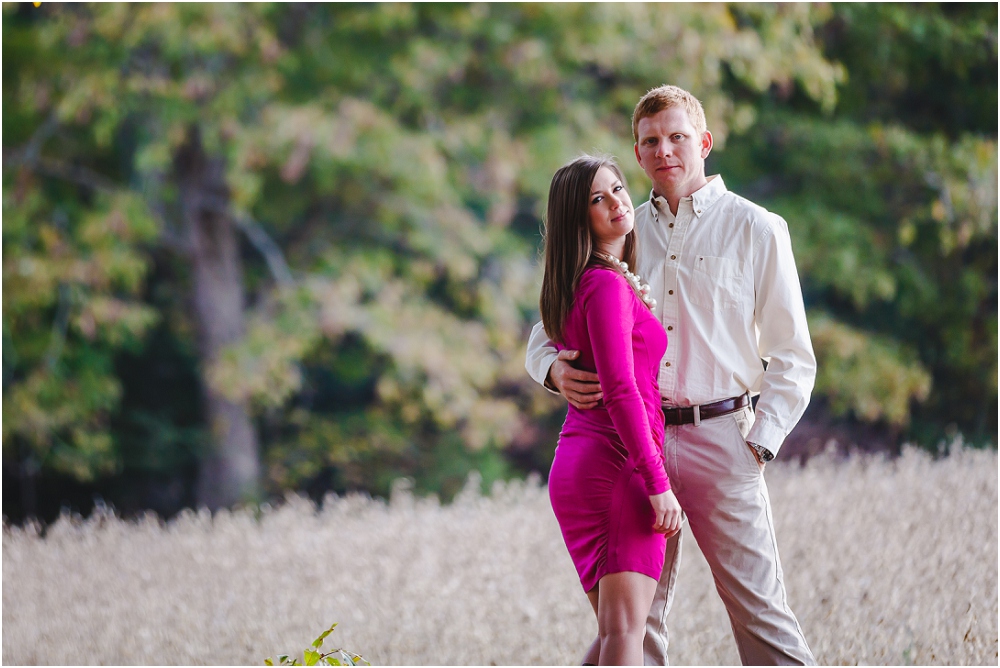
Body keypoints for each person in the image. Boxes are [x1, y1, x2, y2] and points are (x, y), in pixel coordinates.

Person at [526, 85, 817, 665]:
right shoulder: (619, 227)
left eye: (678, 137)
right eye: (651, 141)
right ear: (638, 154)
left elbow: (792, 357)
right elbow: (547, 330)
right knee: (637, 623)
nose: (665, 151)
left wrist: (758, 444)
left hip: (723, 439)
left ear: (703, 142)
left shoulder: (758, 229)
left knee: (760, 614)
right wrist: (554, 371)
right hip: (633, 450)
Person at [539, 155, 684, 666]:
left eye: (618, 189)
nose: (617, 203)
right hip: (614, 468)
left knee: (614, 635)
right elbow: (621, 389)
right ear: (578, 220)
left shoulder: (589, 282)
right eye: (596, 199)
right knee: (625, 635)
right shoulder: (602, 284)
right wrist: (656, 481)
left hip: (588, 460)